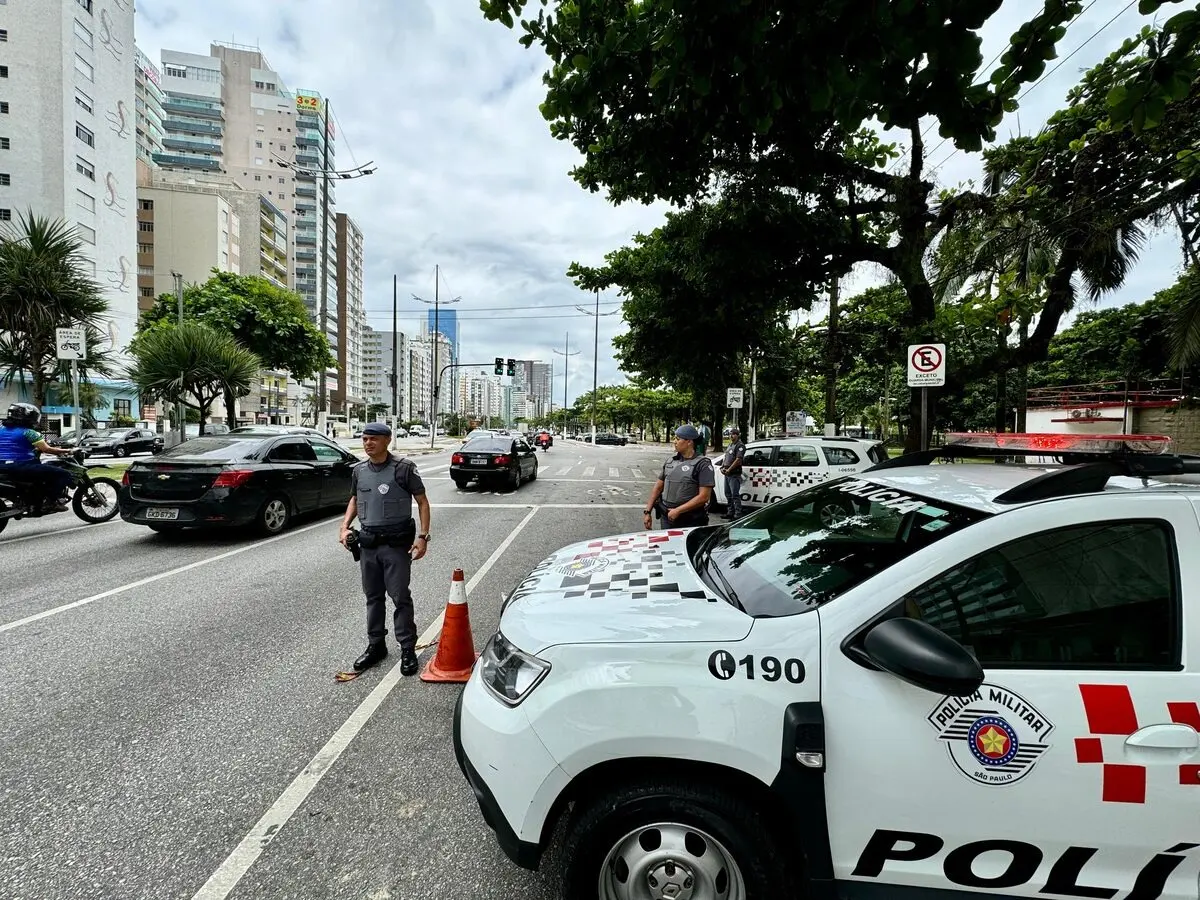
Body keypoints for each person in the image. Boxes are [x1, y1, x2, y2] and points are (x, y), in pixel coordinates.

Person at [339, 422, 432, 674]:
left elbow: (422, 502)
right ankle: (376, 645)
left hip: (396, 545)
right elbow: (355, 499)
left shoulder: (403, 469)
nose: (368, 443)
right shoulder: (358, 470)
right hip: (368, 544)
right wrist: (345, 526)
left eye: (373, 439)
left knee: (400, 596)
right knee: (373, 597)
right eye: (365, 439)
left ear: (387, 440)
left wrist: (423, 536)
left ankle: (407, 648)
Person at [0, 403, 75, 512]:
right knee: (64, 473)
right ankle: (51, 502)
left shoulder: (1, 430)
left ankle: (32, 500)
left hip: (2, 467)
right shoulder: (29, 432)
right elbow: (47, 449)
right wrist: (68, 450)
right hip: (20, 466)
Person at [643, 424, 715, 530]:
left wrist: (678, 510)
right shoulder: (670, 461)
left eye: (678, 438)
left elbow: (704, 497)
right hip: (667, 517)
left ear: (689, 442)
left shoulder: (702, 464)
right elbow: (658, 487)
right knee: (668, 545)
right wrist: (648, 511)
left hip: (690, 520)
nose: (674, 441)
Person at [719, 426, 746, 520]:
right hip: (727, 473)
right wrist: (722, 467)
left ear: (738, 435)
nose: (732, 436)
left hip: (734, 473)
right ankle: (730, 512)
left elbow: (738, 460)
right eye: (731, 434)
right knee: (728, 494)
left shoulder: (740, 446)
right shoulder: (730, 445)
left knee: (735, 495)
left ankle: (737, 514)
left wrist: (729, 469)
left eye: (734, 434)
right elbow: (725, 458)